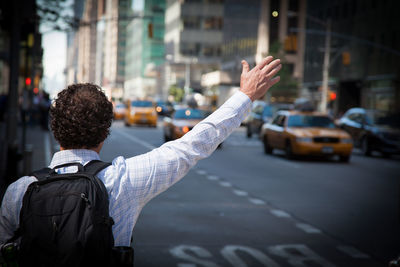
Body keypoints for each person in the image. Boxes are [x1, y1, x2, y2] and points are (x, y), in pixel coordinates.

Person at [0, 56, 281, 251]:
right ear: (105, 132)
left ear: (53, 128)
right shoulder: (122, 181)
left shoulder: (19, 192)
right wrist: (245, 96)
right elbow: (192, 145)